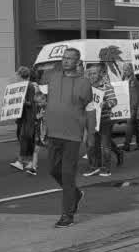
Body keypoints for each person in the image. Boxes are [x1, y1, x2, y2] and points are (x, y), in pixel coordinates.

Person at [45, 48, 93, 228]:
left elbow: (89, 109)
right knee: (52, 170)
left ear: (77, 62)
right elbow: (49, 100)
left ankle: (67, 215)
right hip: (53, 133)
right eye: (64, 58)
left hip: (73, 135)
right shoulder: (53, 78)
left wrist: (90, 135)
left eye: (70, 59)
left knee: (67, 175)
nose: (65, 61)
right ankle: (76, 194)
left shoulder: (84, 83)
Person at [83, 66, 118, 177]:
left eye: (94, 73)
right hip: (91, 120)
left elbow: (114, 100)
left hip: (104, 119)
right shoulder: (87, 88)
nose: (92, 76)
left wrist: (106, 104)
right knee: (91, 145)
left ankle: (106, 169)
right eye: (90, 74)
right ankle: (94, 167)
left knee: (105, 146)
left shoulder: (106, 86)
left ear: (99, 74)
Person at [10, 67, 40, 176]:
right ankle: (27, 160)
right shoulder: (24, 86)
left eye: (17, 75)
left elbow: (31, 103)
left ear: (20, 75)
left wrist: (21, 102)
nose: (16, 76)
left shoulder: (30, 86)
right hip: (23, 116)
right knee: (24, 137)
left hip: (29, 117)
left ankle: (23, 161)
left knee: (25, 137)